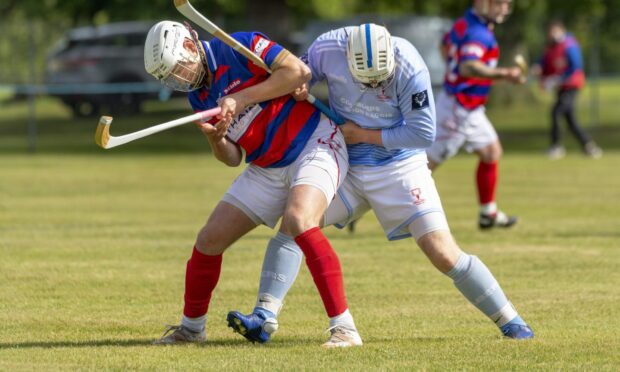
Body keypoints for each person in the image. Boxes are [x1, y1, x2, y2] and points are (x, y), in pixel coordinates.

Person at [226, 23, 534, 344]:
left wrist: (364, 135)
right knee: (294, 225)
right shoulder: (326, 49)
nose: (374, 86)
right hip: (348, 164)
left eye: (380, 79)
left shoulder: (409, 64)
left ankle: (511, 321)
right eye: (365, 79)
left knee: (442, 252)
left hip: (400, 166)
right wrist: (300, 88)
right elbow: (299, 74)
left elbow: (423, 134)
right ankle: (263, 316)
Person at [143, 20, 362, 348]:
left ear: (190, 47)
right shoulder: (199, 98)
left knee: (300, 220)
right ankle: (191, 329)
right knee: (209, 239)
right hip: (266, 166)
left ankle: (344, 328)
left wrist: (242, 97)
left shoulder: (238, 46)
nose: (179, 80)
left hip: (314, 143)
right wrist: (217, 140)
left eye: (178, 70)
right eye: (170, 78)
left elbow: (298, 72)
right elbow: (232, 158)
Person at [427, 0, 523, 229]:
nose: (504, 9)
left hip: (468, 107)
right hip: (458, 109)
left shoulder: (464, 22)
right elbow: (468, 66)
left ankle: (487, 213)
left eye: (508, 4)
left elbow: (444, 46)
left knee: (491, 152)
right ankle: (364, 203)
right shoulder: (479, 33)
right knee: (422, 167)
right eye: (499, 3)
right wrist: (506, 74)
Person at [531, 20, 602, 160]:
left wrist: (557, 79)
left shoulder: (569, 44)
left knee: (556, 112)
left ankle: (556, 147)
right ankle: (589, 146)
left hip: (571, 86)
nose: (552, 34)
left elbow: (575, 66)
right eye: (550, 32)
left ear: (561, 30)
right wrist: (538, 69)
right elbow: (543, 63)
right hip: (561, 88)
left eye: (554, 31)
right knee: (570, 120)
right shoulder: (550, 48)